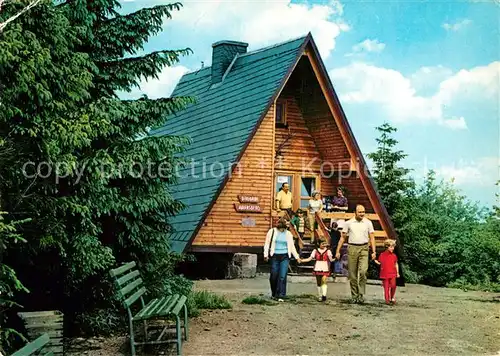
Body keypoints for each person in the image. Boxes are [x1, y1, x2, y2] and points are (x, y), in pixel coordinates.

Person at [335, 204, 376, 304]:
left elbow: (372, 237)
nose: (362, 214)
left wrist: (374, 251)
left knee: (363, 271)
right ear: (355, 212)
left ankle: (361, 294)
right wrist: (337, 251)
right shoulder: (348, 223)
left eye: (363, 212)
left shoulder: (368, 223)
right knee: (352, 274)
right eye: (360, 212)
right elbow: (342, 238)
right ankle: (354, 296)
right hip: (352, 248)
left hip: (364, 248)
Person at [263, 217, 301, 301]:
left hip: (285, 256)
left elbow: (292, 246)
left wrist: (297, 257)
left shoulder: (288, 234)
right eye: (283, 227)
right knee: (274, 275)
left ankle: (281, 294)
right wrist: (266, 254)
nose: (283, 229)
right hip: (274, 256)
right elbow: (267, 243)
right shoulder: (272, 231)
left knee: (282, 276)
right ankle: (274, 293)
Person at [299, 238, 334, 302]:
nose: (324, 245)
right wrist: (302, 260)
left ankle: (324, 294)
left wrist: (336, 258)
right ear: (319, 244)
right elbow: (309, 258)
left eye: (325, 244)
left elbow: (331, 259)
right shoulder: (315, 251)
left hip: (325, 267)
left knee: (324, 281)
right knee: (318, 282)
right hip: (317, 267)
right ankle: (320, 295)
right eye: (322, 244)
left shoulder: (328, 251)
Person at [375, 239, 400, 305]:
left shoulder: (394, 256)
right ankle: (387, 300)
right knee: (386, 287)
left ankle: (392, 297)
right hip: (385, 273)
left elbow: (396, 264)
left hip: (393, 273)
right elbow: (380, 263)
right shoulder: (382, 255)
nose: (393, 248)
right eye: (391, 247)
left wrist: (397, 273)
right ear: (387, 247)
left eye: (393, 247)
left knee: (393, 285)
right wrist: (374, 261)